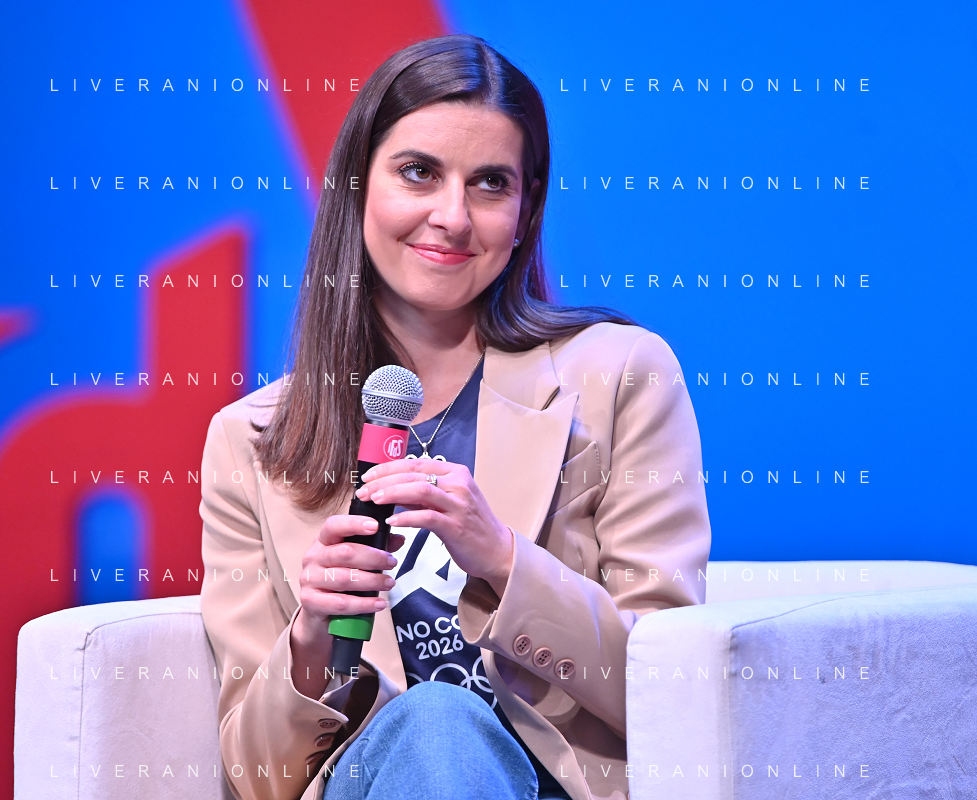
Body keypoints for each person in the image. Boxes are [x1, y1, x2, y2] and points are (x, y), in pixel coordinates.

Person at [198, 33, 711, 800]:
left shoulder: (619, 375)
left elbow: (674, 692)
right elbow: (256, 776)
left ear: (524, 211)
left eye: (490, 184)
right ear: (356, 188)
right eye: (418, 173)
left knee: (447, 720)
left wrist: (502, 558)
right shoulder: (251, 440)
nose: (452, 216)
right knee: (436, 722)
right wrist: (309, 640)